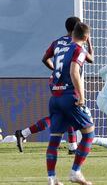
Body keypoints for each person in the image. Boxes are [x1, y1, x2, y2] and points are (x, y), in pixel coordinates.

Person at [15, 17, 94, 154]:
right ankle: (72, 147)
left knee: (61, 115)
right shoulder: (76, 45)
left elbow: (44, 59)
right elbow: (91, 59)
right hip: (69, 83)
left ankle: (24, 133)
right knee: (69, 109)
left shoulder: (57, 42)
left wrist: (56, 70)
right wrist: (89, 42)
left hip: (55, 82)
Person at [46, 22, 94, 185]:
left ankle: (52, 179)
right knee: (89, 133)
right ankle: (75, 172)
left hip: (55, 97)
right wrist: (81, 96)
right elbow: (74, 71)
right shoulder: (79, 50)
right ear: (86, 37)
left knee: (55, 139)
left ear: (72, 35)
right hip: (69, 96)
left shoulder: (61, 49)